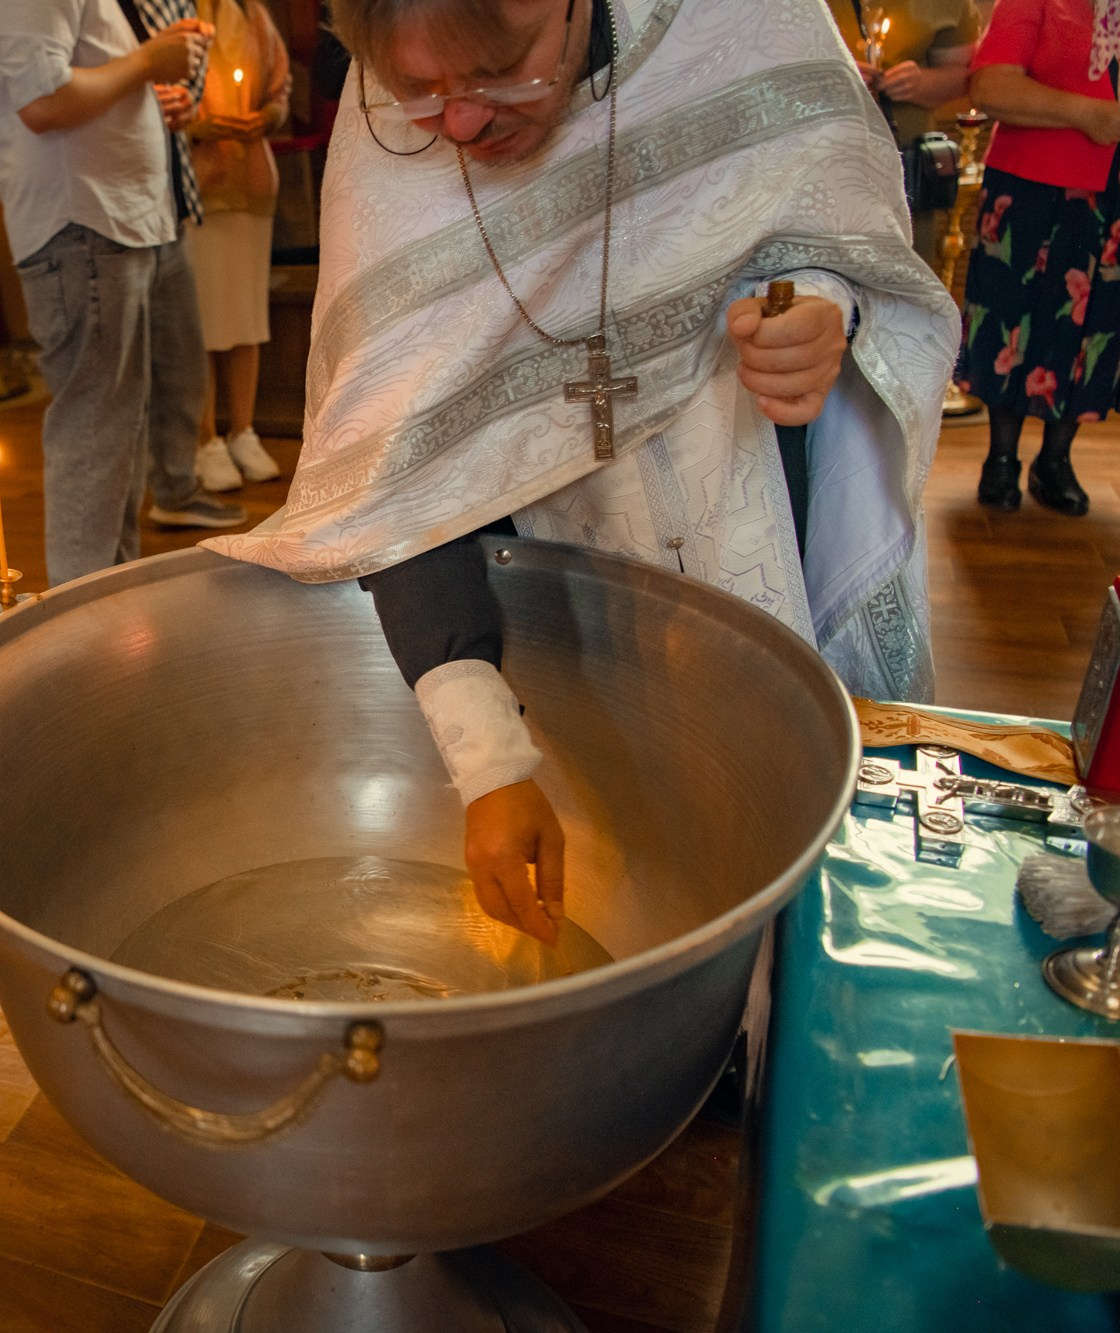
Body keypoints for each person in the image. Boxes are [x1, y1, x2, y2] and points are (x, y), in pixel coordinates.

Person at [205, 0, 958, 942]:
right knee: (619, 880)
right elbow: (390, 457)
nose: (463, 124)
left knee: (796, 871)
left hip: (754, 506)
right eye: (420, 95)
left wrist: (817, 306)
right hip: (546, 604)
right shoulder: (384, 104)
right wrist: (487, 761)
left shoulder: (745, 19)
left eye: (501, 72)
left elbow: (833, 221)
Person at [0, 0, 248, 587]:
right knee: (95, 433)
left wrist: (151, 97)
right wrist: (150, 60)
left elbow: (89, 80)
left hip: (124, 216)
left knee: (122, 422)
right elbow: (43, 102)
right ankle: (87, 618)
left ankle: (111, 603)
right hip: (83, 222)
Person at [963, 0, 1120, 517]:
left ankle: (1056, 459)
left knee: (1094, 328)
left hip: (1114, 198)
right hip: (1032, 187)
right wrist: (1087, 113)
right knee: (1013, 316)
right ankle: (1000, 458)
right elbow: (989, 86)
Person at [188, 0, 293, 492]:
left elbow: (279, 87)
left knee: (248, 316)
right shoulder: (173, 15)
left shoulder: (252, 14)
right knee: (202, 320)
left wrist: (268, 116)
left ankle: (243, 430)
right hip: (198, 181)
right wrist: (195, 125)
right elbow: (151, 98)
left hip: (249, 179)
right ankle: (205, 439)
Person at [828, 1, 979, 265]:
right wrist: (827, 80)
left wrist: (923, 82)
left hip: (906, 172)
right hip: (821, 163)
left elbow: (966, 75)